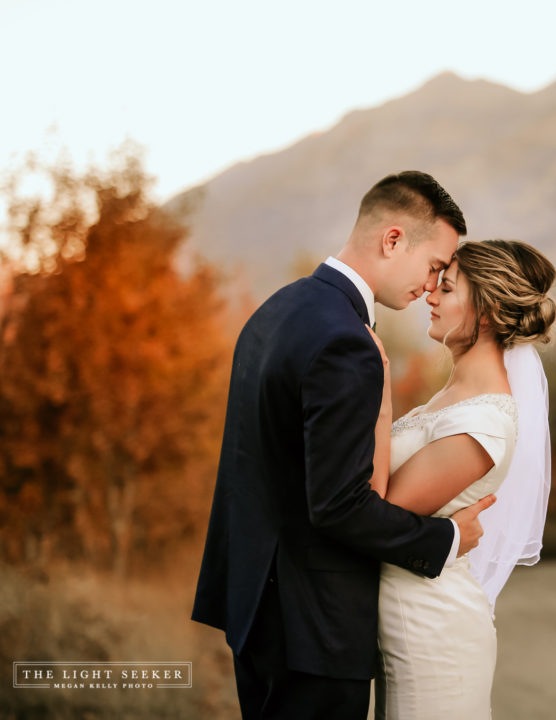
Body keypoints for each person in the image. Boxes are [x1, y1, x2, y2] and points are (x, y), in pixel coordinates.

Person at [191, 171, 497, 720]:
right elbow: (338, 504)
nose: (431, 287)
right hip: (312, 630)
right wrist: (445, 538)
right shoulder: (346, 342)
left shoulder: (277, 311)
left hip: (256, 610)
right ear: (393, 239)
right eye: (432, 268)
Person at [366, 239, 556, 719]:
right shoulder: (454, 396)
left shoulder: (485, 420)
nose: (430, 293)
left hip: (433, 632)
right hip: (404, 619)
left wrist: (379, 396)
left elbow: (382, 511)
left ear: (487, 313)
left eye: (447, 288)